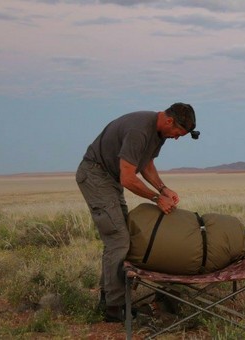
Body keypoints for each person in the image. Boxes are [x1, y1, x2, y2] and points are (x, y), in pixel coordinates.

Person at [75, 102, 199, 322]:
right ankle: (115, 309)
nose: (177, 138)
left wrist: (164, 188)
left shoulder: (158, 133)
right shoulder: (138, 131)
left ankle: (109, 298)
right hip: (96, 176)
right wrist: (156, 198)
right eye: (177, 133)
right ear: (169, 120)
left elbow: (146, 164)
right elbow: (128, 177)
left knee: (120, 237)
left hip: (109, 180)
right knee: (118, 239)